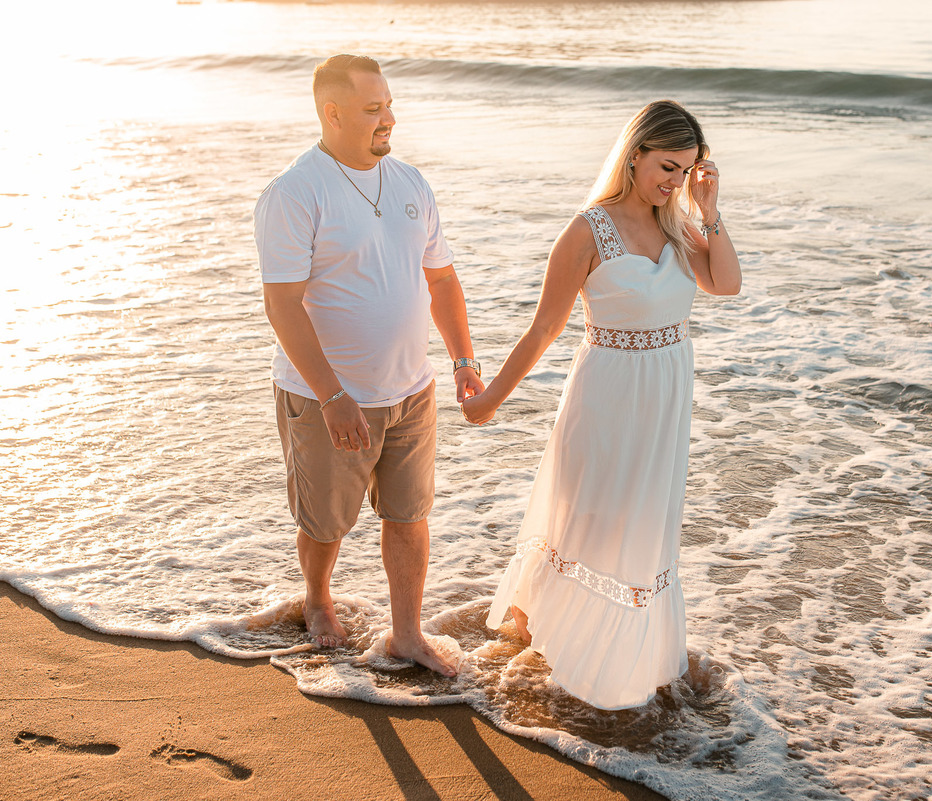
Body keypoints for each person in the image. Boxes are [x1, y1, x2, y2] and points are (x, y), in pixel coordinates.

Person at [461, 100, 741, 709]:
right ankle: (560, 647)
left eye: (686, 170)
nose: (674, 181)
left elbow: (725, 284)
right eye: (666, 166)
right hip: (608, 396)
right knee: (593, 519)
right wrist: (487, 401)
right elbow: (542, 331)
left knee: (644, 527)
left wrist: (709, 212)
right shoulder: (588, 230)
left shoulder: (680, 226)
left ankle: (622, 657)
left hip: (665, 399)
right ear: (634, 154)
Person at [253, 54, 483, 677]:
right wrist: (332, 396)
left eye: (388, 104)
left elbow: (442, 281)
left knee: (410, 517)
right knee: (327, 522)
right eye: (372, 108)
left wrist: (463, 358)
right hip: (328, 395)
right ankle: (318, 598)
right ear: (332, 114)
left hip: (412, 389)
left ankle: (406, 633)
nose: (389, 118)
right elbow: (283, 306)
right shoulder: (294, 193)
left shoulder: (410, 183)